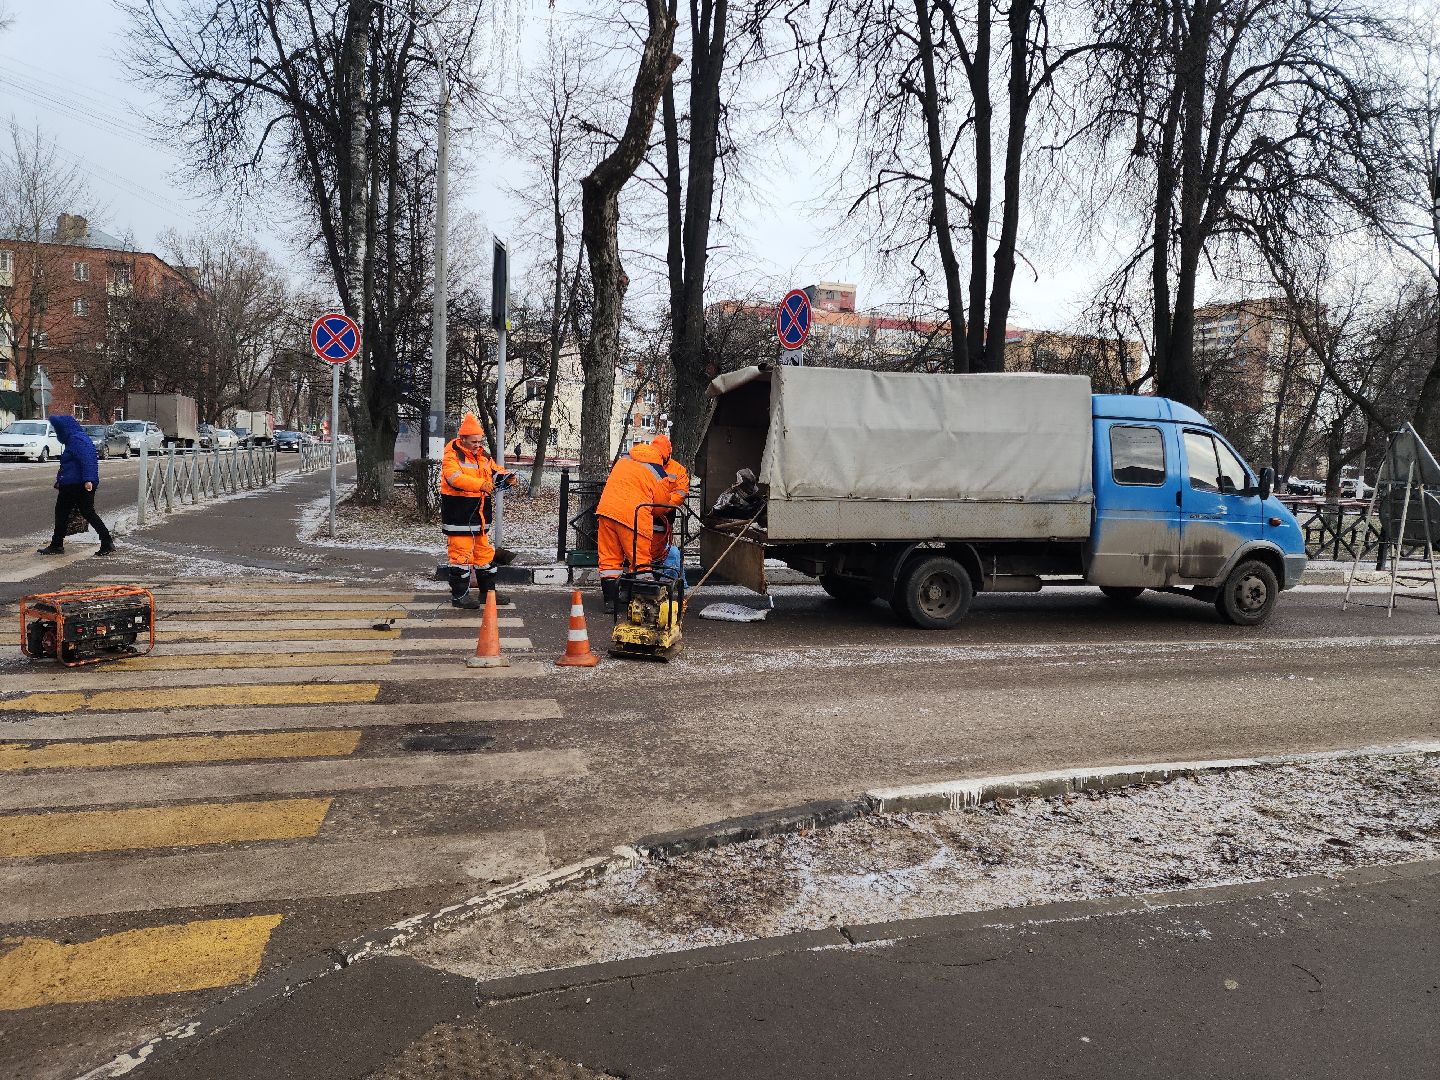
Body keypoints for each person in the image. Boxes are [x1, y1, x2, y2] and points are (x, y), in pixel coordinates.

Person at [440, 413, 513, 609]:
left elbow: (495, 470)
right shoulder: (451, 455)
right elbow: (454, 478)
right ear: (462, 439)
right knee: (460, 556)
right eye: (473, 441)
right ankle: (460, 597)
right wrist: (481, 484)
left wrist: (506, 477)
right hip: (459, 515)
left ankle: (487, 594)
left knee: (484, 556)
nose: (477, 445)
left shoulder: (483, 455)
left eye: (479, 441)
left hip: (479, 517)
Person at [595, 439, 670, 613]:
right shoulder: (658, 471)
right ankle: (644, 605)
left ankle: (610, 603)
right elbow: (660, 508)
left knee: (609, 561)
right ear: (665, 457)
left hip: (606, 512)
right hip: (633, 516)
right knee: (640, 562)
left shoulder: (626, 458)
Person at [37, 415, 114, 557]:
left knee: (82, 512)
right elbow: (70, 465)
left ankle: (106, 541)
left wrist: (88, 480)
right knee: (67, 513)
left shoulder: (77, 440)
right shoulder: (74, 439)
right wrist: (61, 480)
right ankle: (58, 544)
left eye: (59, 430)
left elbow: (88, 460)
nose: (58, 433)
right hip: (71, 484)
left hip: (78, 485)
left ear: (66, 429)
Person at [648, 433, 689, 573]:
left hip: (663, 518)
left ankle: (655, 578)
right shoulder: (647, 465)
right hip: (644, 515)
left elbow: (681, 493)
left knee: (659, 552)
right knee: (640, 552)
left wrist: (661, 506)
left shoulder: (678, 470)